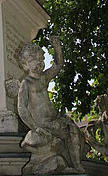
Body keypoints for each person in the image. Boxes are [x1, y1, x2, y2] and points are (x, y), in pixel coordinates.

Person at [18, 38, 85, 174]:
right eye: (33, 61)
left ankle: (77, 164)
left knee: (72, 129)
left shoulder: (43, 77)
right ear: (25, 65)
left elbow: (58, 65)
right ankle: (75, 164)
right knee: (70, 130)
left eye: (40, 59)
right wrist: (35, 127)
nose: (39, 63)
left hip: (54, 119)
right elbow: (22, 108)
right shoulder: (26, 83)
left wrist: (57, 48)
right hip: (44, 124)